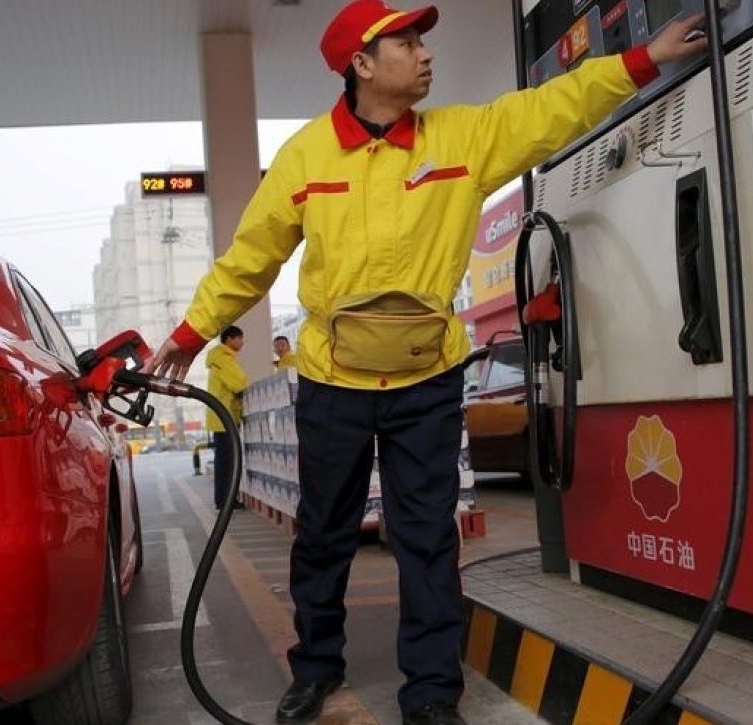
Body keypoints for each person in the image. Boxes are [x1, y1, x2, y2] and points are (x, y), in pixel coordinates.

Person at [144, 2, 705, 722]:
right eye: (406, 43)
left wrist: (642, 58)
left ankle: (433, 692)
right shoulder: (305, 157)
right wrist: (191, 331)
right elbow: (249, 258)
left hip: (426, 380)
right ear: (361, 64)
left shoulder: (463, 138)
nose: (425, 53)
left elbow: (553, 108)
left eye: (422, 42)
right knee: (323, 535)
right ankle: (314, 668)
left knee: (427, 537)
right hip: (333, 382)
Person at [206, 325, 249, 511]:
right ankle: (226, 501)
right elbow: (239, 383)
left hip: (221, 417)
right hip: (224, 417)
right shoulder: (223, 358)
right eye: (239, 338)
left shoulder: (221, 358)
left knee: (225, 460)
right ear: (229, 339)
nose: (242, 342)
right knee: (228, 461)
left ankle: (224, 500)